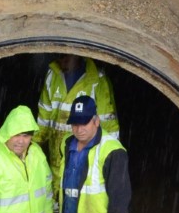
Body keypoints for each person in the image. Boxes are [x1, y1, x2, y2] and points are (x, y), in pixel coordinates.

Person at [35, 54, 119, 197]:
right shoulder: (52, 74)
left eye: (66, 56)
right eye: (60, 56)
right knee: (58, 187)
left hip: (86, 149)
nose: (62, 60)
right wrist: (34, 144)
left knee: (83, 188)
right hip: (57, 149)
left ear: (78, 54)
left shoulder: (97, 80)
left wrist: (112, 156)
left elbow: (107, 120)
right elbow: (44, 115)